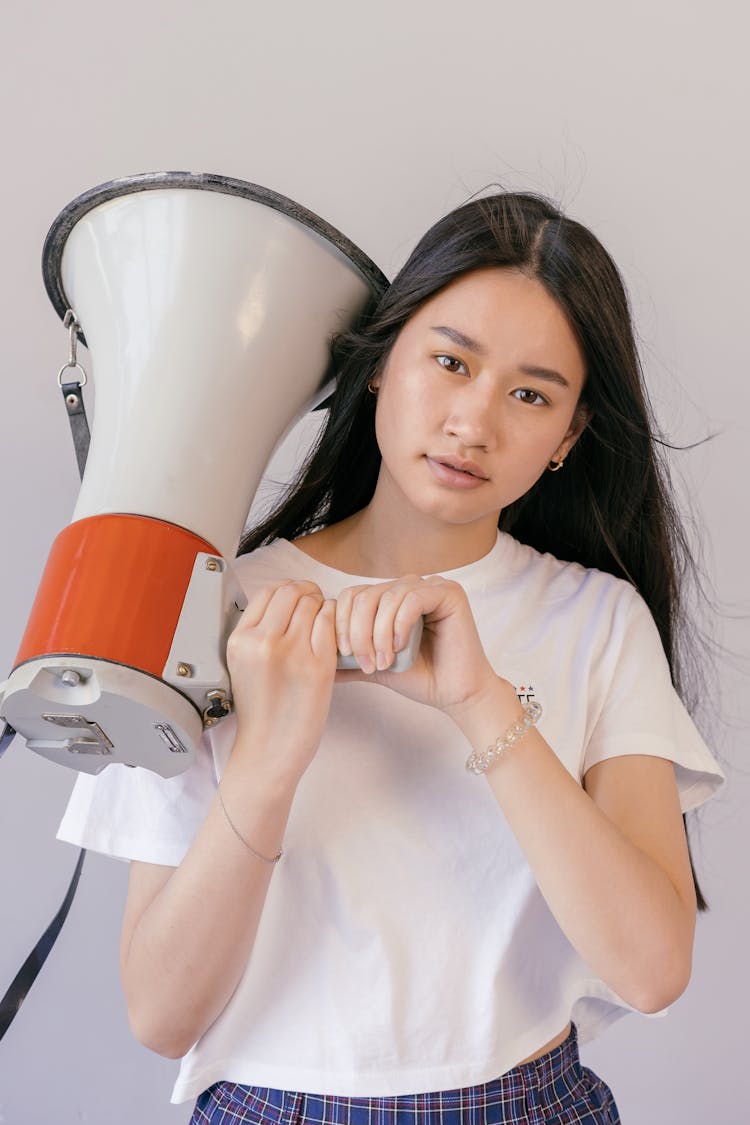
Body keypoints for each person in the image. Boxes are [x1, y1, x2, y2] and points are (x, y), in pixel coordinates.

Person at [58, 191, 725, 1125]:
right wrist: (270, 760)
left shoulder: (597, 620)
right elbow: (161, 1013)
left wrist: (485, 704)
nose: (473, 423)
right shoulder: (219, 610)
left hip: (534, 1104)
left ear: (570, 436)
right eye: (450, 362)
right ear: (381, 366)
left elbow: (653, 971)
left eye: (530, 394)